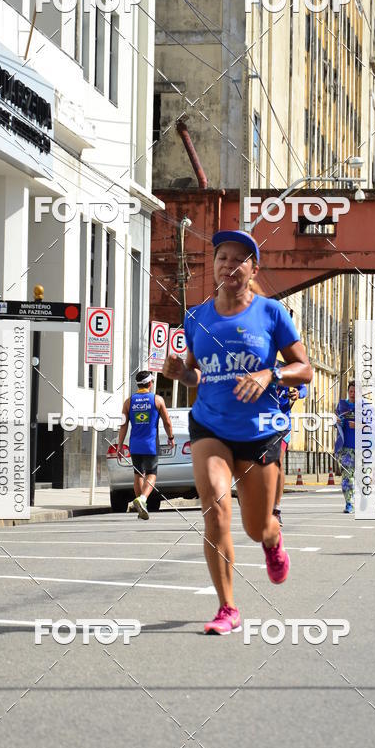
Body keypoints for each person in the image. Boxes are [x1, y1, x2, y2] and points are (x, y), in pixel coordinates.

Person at [162, 230, 312, 635]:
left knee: (256, 526)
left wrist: (270, 374)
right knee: (214, 506)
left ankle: (272, 540)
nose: (228, 264)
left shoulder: (271, 313)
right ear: (213, 265)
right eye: (222, 257)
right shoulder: (196, 317)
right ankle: (227, 607)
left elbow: (304, 369)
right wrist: (180, 374)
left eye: (238, 259)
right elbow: (196, 374)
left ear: (253, 269)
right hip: (210, 424)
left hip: (258, 430)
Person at [116, 371, 175, 519]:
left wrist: (119, 445)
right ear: (149, 383)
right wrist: (171, 437)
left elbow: (123, 425)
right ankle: (142, 499)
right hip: (150, 444)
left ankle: (142, 507)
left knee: (138, 474)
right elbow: (167, 422)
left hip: (135, 445)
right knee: (151, 473)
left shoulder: (128, 402)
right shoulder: (157, 400)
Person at [273, 380, 307, 527]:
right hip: (260, 423)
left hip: (282, 424)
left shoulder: (286, 371)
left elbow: (303, 388)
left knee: (278, 463)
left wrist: (298, 393)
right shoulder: (256, 368)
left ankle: (276, 509)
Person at [334, 382, 355, 513]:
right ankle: (349, 503)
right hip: (346, 448)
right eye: (351, 391)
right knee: (347, 477)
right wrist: (337, 422)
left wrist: (358, 425)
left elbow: (373, 426)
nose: (353, 394)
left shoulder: (365, 407)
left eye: (356, 392)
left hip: (363, 449)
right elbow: (336, 422)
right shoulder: (342, 405)